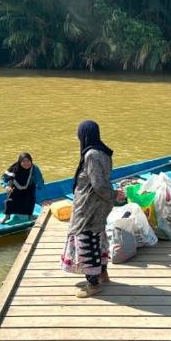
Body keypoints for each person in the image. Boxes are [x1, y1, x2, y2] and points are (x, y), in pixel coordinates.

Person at [60, 120, 117, 298]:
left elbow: (98, 184)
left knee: (86, 240)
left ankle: (93, 284)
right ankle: (102, 274)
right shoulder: (104, 152)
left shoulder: (91, 154)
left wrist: (113, 195)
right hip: (100, 204)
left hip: (89, 207)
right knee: (98, 238)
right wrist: (112, 197)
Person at [0, 152, 44, 224]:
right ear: (20, 162)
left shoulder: (34, 168)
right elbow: (3, 178)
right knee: (9, 200)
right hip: (15, 187)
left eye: (28, 161)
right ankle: (7, 216)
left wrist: (40, 186)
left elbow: (39, 178)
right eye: (23, 161)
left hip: (29, 186)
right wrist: (6, 186)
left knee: (30, 199)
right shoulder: (14, 168)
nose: (26, 163)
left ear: (31, 161)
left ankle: (30, 215)